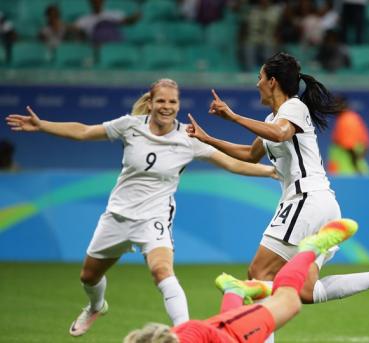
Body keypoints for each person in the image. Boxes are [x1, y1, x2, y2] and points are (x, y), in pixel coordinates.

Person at [5, 78, 277, 337]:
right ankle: (97, 307)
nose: (167, 107)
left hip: (155, 218)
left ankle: (185, 333)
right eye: (161, 101)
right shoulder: (130, 126)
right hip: (118, 216)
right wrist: (42, 126)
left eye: (172, 102)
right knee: (88, 276)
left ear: (179, 105)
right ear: (150, 103)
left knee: (162, 271)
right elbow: (85, 131)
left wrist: (268, 172)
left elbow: (230, 162)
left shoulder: (189, 138)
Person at [186, 53, 369, 341]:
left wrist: (233, 116)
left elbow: (281, 134)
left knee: (259, 272)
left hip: (305, 200)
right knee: (305, 290)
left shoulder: (294, 108)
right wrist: (207, 138)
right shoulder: (273, 117)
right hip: (319, 203)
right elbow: (250, 154)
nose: (257, 83)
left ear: (272, 82)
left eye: (260, 78)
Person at [123, 218, 363, 343]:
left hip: (232, 334)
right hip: (219, 331)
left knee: (290, 301)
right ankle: (233, 290)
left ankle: (310, 248)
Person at [326, 97, 369, 175]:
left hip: (346, 170)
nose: (333, 109)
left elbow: (349, 146)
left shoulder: (347, 120)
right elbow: (365, 145)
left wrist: (356, 167)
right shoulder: (352, 117)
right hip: (349, 167)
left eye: (335, 105)